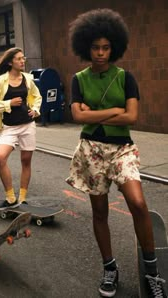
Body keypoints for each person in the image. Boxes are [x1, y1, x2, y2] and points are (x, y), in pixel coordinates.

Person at [66, 8, 167, 298]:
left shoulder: (126, 77)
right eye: (96, 47)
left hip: (122, 149)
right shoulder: (79, 79)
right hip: (91, 150)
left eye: (106, 47)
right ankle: (109, 268)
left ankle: (152, 273)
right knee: (99, 212)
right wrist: (114, 111)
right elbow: (77, 117)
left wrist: (94, 114)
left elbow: (132, 117)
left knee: (137, 202)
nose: (101, 53)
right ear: (87, 47)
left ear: (114, 47)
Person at [0, 47, 42, 209]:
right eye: (18, 59)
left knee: (26, 161)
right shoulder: (1, 81)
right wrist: (8, 103)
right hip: (9, 127)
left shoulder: (27, 79)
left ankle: (22, 198)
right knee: (0, 158)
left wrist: (36, 110)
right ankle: (10, 197)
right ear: (10, 62)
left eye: (23, 58)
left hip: (27, 125)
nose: (22, 61)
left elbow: (37, 96)